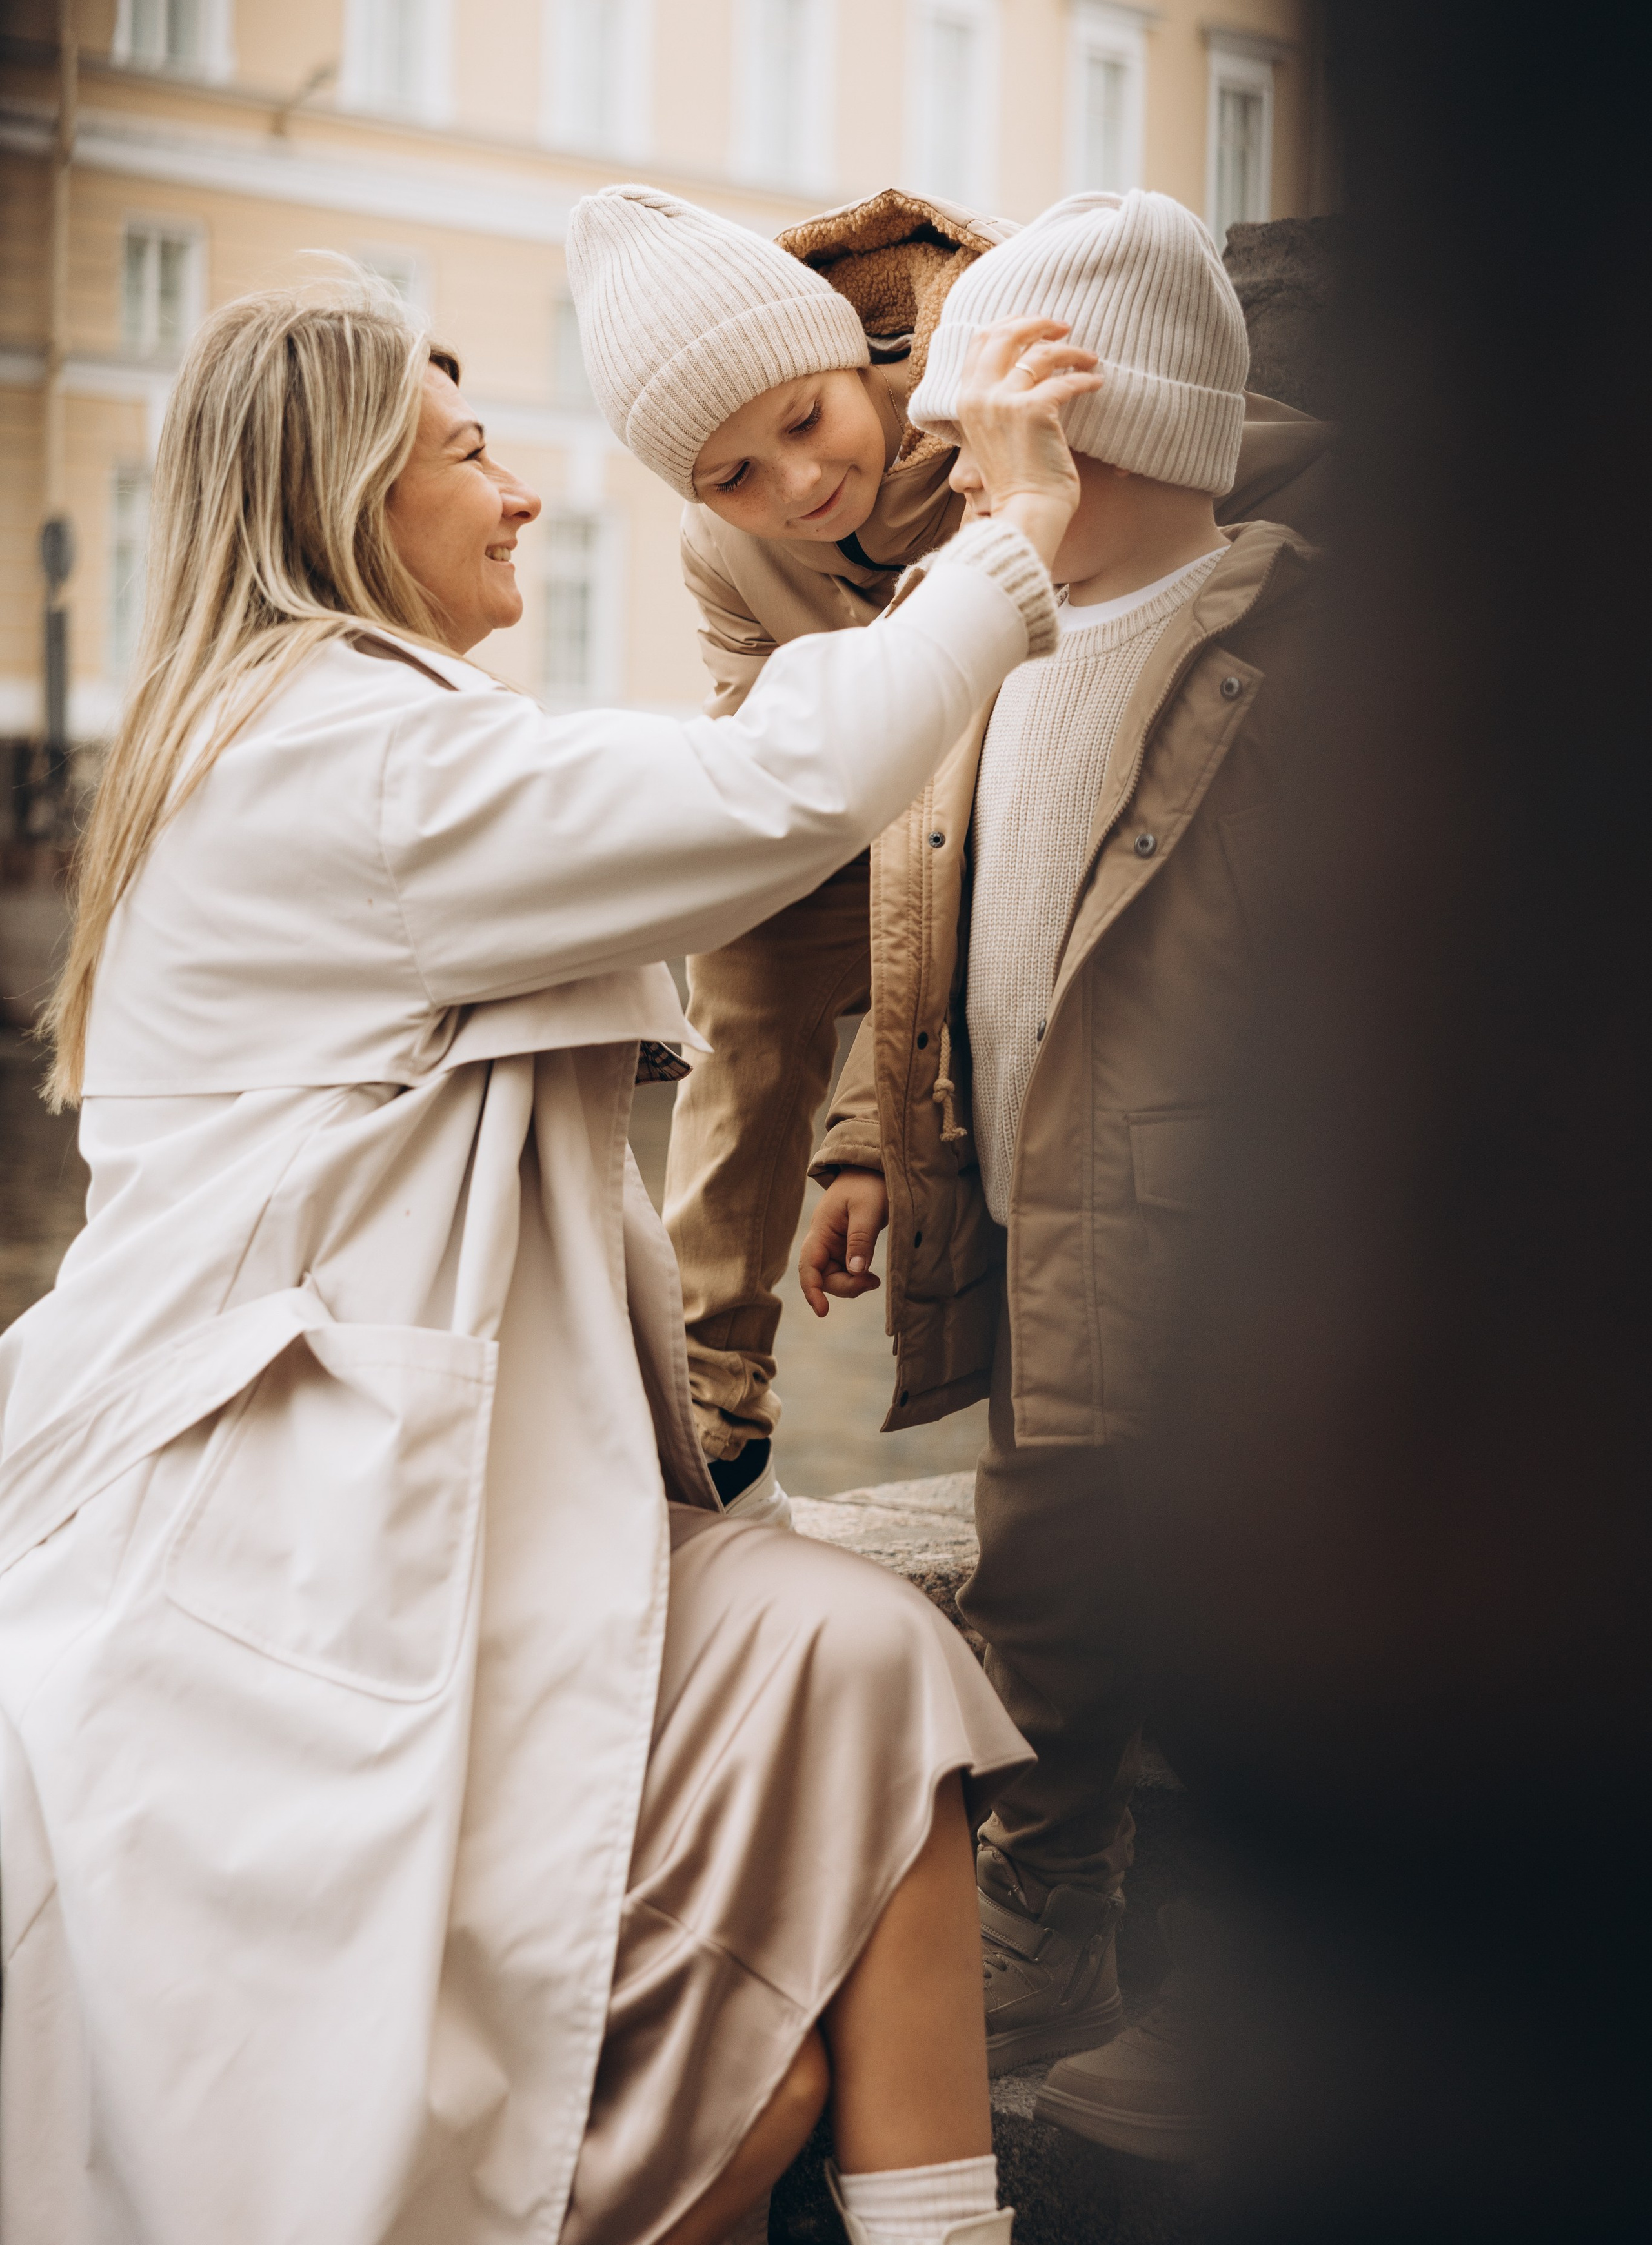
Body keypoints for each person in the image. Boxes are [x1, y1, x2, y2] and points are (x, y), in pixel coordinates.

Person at [0, 276, 1099, 2245]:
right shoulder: (348, 764)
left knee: (863, 1652)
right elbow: (771, 792)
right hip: (292, 1561)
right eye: (469, 451)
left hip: (425, 1516)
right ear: (353, 494)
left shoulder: (339, 738)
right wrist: (1013, 538)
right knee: (731, 2095)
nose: (519, 495)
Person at [798, 191, 1324, 2160]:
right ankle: (1054, 1915)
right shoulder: (994, 625)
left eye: (983, 438)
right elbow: (920, 908)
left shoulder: (1280, 645)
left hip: (1223, 1252)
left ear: (1092, 428)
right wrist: (868, 1133)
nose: (947, 476)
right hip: (1036, 1217)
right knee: (1052, 1583)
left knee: (1246, 1601)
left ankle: (1259, 1977)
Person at [567, 181, 1333, 1520]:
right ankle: (703, 1385)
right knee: (742, 968)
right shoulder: (722, 551)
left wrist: (877, 1125)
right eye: (731, 478)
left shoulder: (988, 389)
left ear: (853, 363)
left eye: (804, 422)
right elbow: (777, 771)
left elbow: (1227, 441)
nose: (795, 487)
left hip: (1023, 763)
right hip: (864, 788)